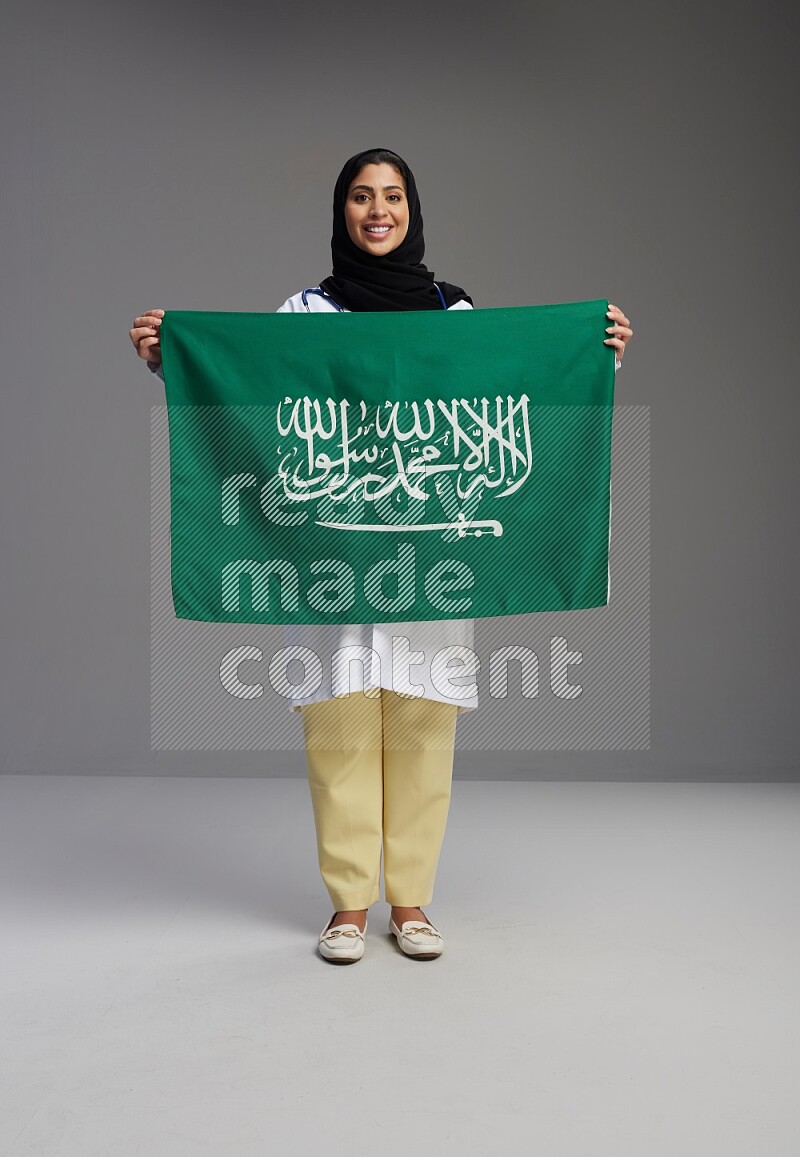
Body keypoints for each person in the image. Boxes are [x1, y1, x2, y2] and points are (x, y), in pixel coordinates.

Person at [130, 147, 634, 965]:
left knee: (424, 726)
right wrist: (172, 360)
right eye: (361, 197)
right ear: (341, 212)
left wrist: (596, 350)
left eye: (392, 196)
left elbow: (521, 391)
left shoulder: (454, 313)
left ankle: (411, 901)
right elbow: (250, 398)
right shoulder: (302, 315)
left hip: (428, 554)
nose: (377, 210)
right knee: (338, 730)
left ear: (412, 210)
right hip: (328, 553)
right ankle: (347, 907)